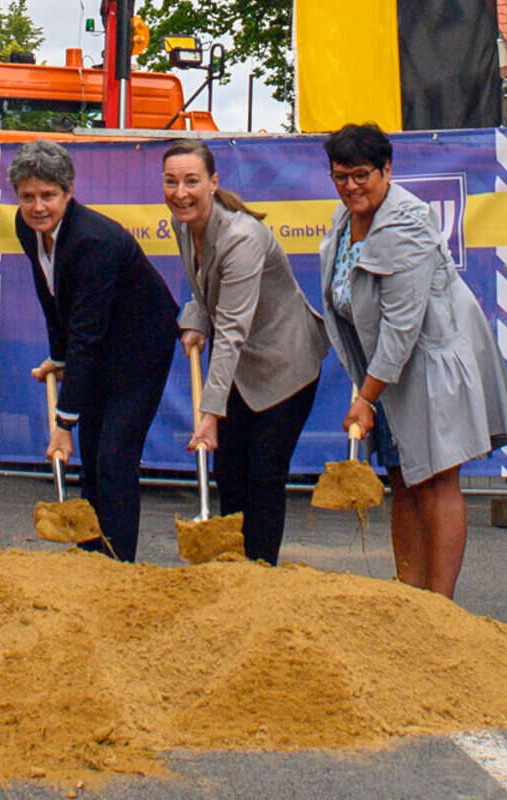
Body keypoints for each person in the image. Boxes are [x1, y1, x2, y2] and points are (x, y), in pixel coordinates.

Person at [319, 122, 507, 598]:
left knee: (435, 481)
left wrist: (366, 399)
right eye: (340, 175)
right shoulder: (342, 218)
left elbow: (401, 328)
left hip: (430, 368)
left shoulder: (407, 223)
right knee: (403, 482)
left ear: (387, 170)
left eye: (361, 174)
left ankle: (439, 605)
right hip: (387, 378)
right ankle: (408, 600)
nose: (350, 185)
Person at [9, 139, 178, 563]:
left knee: (114, 459)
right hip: (98, 345)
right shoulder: (27, 227)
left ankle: (118, 567)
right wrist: (59, 357)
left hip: (140, 346)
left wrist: (63, 421)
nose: (38, 206)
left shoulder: (93, 240)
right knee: (93, 456)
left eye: (48, 196)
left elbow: (88, 333)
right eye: (28, 196)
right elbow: (51, 297)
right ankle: (91, 558)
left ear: (68, 193)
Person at [166, 140, 330, 566]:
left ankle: (260, 576)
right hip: (239, 366)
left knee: (263, 475)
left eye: (191, 181)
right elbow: (206, 289)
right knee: (230, 474)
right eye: (171, 182)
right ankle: (231, 571)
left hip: (284, 364)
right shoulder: (183, 223)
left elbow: (234, 329)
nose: (180, 192)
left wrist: (208, 415)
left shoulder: (241, 237)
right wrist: (195, 319)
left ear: (213, 182)